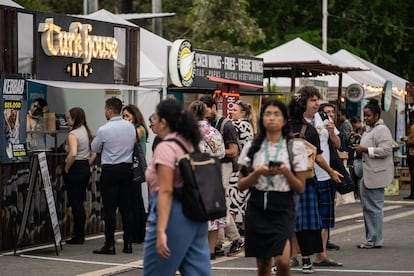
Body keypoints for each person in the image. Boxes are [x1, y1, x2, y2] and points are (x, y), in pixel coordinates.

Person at [238, 99, 307, 276]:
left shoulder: (295, 148)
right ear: (262, 119)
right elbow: (241, 185)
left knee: (283, 262)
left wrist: (285, 171)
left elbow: (300, 187)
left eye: (277, 114)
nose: (271, 118)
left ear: (284, 120)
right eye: (267, 114)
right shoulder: (252, 147)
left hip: (282, 206)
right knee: (263, 266)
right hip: (257, 204)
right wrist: (257, 173)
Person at [143, 99, 210, 275]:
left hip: (172, 213)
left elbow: (165, 190)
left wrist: (160, 230)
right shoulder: (191, 144)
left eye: (155, 118)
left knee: (156, 272)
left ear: (164, 122)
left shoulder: (166, 147)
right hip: (197, 213)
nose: (153, 123)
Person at [287, 86, 342, 273]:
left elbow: (337, 144)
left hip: (293, 180)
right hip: (309, 179)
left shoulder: (323, 118)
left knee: (297, 221)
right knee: (309, 222)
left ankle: (316, 255)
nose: (316, 103)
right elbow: (318, 156)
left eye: (317, 99)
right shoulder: (308, 129)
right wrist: (333, 171)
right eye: (312, 100)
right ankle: (304, 259)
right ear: (303, 105)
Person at [200, 95, 245, 257]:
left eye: (206, 110)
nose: (205, 114)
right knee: (217, 204)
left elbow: (234, 151)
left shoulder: (227, 125)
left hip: (225, 166)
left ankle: (236, 239)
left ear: (213, 107)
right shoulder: (208, 124)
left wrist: (213, 151)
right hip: (212, 166)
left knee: (219, 203)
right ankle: (217, 243)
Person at [91, 97, 136, 255]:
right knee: (126, 208)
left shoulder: (104, 129)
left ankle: (109, 244)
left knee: (110, 209)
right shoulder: (131, 127)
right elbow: (134, 143)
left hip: (110, 170)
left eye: (105, 109)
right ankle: (128, 244)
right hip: (126, 170)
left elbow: (95, 147)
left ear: (110, 110)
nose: (105, 112)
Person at [353, 98, 394, 249]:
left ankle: (374, 239)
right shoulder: (371, 130)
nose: (365, 118)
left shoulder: (382, 129)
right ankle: (373, 239)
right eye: (364, 115)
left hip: (375, 175)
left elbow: (386, 150)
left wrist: (364, 149)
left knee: (374, 208)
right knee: (369, 208)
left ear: (376, 115)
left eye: (368, 115)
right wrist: (360, 139)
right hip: (367, 174)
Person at [188, 100, 226, 260]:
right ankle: (210, 251)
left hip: (193, 176)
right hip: (212, 174)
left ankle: (195, 249)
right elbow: (222, 153)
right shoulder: (214, 132)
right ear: (206, 114)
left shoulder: (186, 132)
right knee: (214, 216)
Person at [63, 107, 96, 244]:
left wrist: (66, 168)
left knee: (75, 203)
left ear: (74, 118)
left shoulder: (73, 134)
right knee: (80, 202)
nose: (67, 120)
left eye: (69, 117)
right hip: (84, 168)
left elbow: (73, 153)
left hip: (75, 168)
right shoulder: (85, 131)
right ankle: (80, 234)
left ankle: (79, 236)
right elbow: (94, 153)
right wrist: (87, 163)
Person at [122, 104, 149, 243]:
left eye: (127, 116)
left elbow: (128, 142)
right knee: (135, 201)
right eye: (123, 116)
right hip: (132, 168)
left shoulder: (139, 129)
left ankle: (136, 234)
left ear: (134, 116)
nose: (125, 119)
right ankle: (137, 233)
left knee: (135, 202)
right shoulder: (135, 128)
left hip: (135, 169)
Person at [228, 100, 255, 237]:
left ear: (243, 113)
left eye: (234, 110)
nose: (231, 113)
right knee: (244, 203)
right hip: (248, 168)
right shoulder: (249, 126)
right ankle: (245, 232)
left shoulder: (237, 125)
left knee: (232, 203)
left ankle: (233, 237)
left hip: (238, 168)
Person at [403, 123, 414, 199]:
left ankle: (413, 194)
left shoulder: (413, 127)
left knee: (413, 174)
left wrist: (406, 139)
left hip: (412, 153)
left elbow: (412, 140)